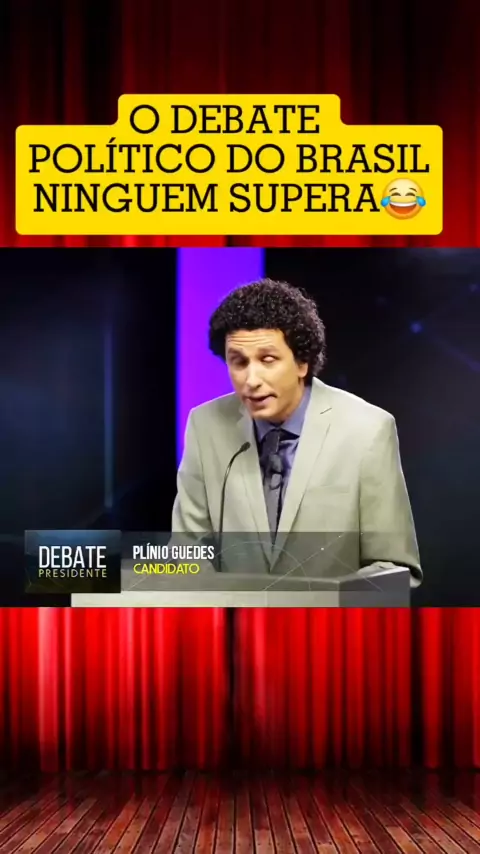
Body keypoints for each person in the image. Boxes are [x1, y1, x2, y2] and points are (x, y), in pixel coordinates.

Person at [172, 278, 422, 587]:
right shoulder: (206, 424)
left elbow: (395, 568)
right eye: (239, 362)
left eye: (267, 360)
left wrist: (317, 608)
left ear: (302, 362)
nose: (251, 380)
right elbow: (186, 552)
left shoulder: (367, 430)